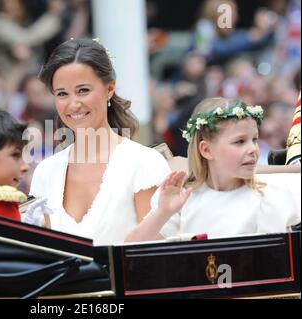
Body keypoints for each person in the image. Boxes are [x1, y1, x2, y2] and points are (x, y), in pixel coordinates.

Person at [29, 38, 171, 246]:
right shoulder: (46, 171)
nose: (73, 104)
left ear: (109, 89)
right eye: (62, 94)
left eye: (83, 90)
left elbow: (154, 254)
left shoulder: (144, 163)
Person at [126, 97, 300, 242]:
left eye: (254, 140)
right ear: (206, 150)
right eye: (240, 141)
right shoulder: (182, 198)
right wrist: (163, 213)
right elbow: (131, 250)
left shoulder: (271, 196)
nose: (253, 149)